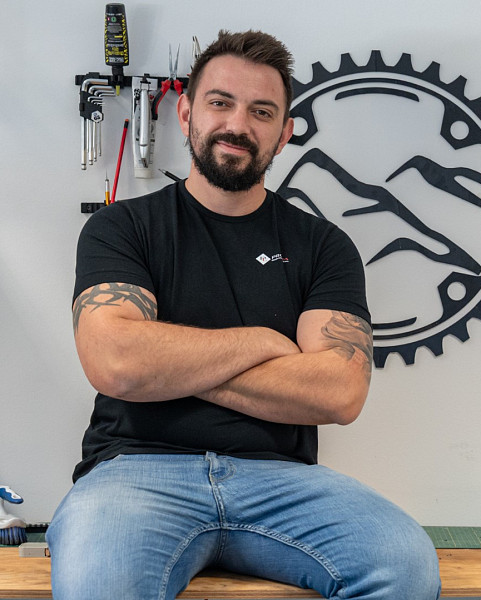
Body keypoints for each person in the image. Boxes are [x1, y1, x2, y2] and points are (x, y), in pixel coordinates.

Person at [47, 30, 440, 600]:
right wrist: (262, 340)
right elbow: (116, 363)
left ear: (285, 133)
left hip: (284, 483)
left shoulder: (323, 246)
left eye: (261, 111)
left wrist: (168, 366)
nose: (238, 124)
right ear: (186, 112)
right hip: (134, 475)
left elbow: (339, 393)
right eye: (220, 102)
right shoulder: (122, 227)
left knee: (403, 564)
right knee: (101, 582)